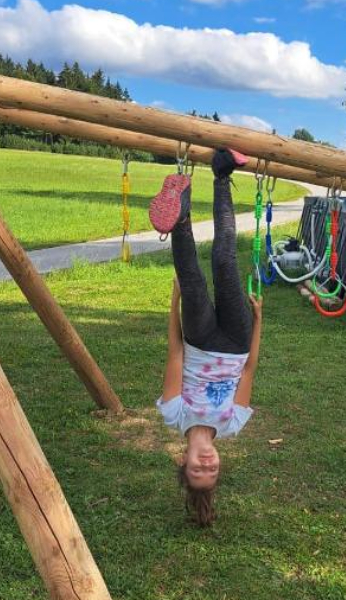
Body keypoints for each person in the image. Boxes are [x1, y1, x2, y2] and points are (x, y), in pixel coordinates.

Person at [149, 148, 263, 526]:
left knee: (193, 280)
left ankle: (180, 215)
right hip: (235, 341)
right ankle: (221, 175)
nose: (207, 465)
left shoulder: (173, 414)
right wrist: (258, 321)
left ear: (182, 460)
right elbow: (248, 372)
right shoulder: (232, 423)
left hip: (197, 341)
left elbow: (175, 354)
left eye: (198, 471)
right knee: (224, 260)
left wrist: (174, 304)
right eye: (212, 472)